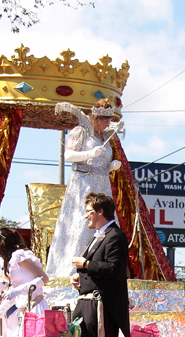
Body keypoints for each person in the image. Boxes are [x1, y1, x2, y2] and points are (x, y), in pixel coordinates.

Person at [46, 98, 123, 277]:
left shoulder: (105, 137)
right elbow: (69, 155)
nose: (108, 123)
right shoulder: (80, 131)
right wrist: (90, 153)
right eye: (105, 120)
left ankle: (99, 266)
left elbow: (103, 159)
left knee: (104, 221)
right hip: (83, 184)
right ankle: (71, 270)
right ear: (95, 118)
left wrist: (110, 166)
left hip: (102, 183)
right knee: (82, 223)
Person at [71, 192, 130, 337]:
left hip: (101, 305)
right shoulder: (97, 237)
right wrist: (79, 278)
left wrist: (86, 264)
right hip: (86, 303)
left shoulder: (115, 236)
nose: (86, 216)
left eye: (89, 211)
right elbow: (95, 269)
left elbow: (114, 269)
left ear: (100, 211)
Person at [0, 227, 50, 337]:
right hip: (20, 309)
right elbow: (16, 287)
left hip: (34, 306)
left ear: (0, 242)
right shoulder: (6, 261)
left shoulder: (19, 256)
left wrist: (18, 291)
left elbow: (44, 278)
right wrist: (4, 305)